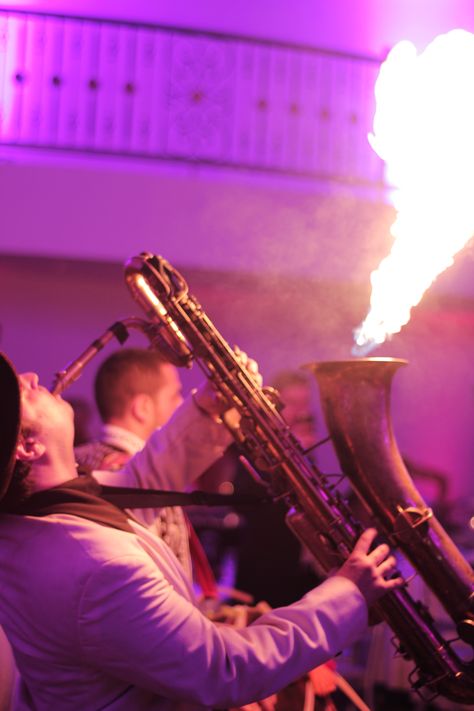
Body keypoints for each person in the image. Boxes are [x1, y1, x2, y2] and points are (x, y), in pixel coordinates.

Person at [0, 351, 402, 710]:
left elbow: (139, 482)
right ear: (29, 446)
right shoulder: (98, 567)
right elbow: (225, 669)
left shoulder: (38, 514)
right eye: (21, 392)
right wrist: (348, 594)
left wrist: (209, 411)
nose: (32, 377)